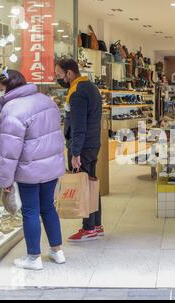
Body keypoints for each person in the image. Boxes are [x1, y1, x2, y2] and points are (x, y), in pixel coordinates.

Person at [0, 69, 66, 270]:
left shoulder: (12, 109)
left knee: (30, 211)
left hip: (29, 169)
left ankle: (33, 257)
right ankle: (57, 251)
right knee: (48, 208)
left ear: (7, 87)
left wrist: (5, 180)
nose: (0, 93)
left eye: (1, 88)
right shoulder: (46, 101)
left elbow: (9, 152)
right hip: (50, 166)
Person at [55, 58, 104, 241]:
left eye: (59, 74)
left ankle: (88, 227)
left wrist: (75, 152)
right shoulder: (91, 87)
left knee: (84, 186)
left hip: (83, 147)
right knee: (91, 185)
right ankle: (96, 224)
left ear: (69, 73)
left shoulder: (77, 93)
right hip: (92, 143)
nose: (58, 78)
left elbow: (78, 126)